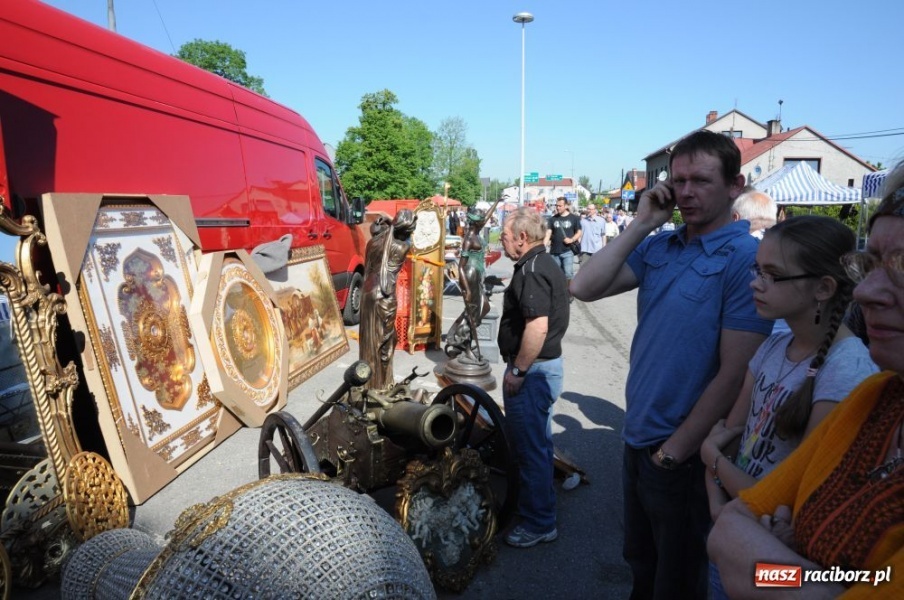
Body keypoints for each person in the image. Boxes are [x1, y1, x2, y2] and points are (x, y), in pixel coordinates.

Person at [571, 130, 774, 599]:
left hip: (680, 452)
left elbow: (734, 372)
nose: (685, 192)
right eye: (677, 180)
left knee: (677, 581)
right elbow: (583, 287)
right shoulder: (660, 245)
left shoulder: (745, 258)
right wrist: (641, 224)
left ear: (734, 185)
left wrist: (674, 452)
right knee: (641, 564)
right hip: (638, 436)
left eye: (701, 180)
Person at [708, 160, 904, 599]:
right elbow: (731, 530)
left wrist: (805, 580)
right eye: (870, 265)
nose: (868, 291)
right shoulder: (878, 396)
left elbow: (870, 585)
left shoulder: (851, 374)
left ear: (824, 288)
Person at [498, 207, 570, 548]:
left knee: (531, 449)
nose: (503, 241)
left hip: (534, 370)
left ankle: (539, 522)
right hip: (540, 369)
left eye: (506, 237)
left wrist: (518, 370)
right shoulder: (539, 264)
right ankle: (538, 508)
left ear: (522, 238)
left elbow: (537, 326)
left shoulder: (533, 269)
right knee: (537, 445)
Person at [359, 210, 416, 390]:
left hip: (367, 295)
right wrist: (393, 222)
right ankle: (381, 385)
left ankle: (367, 383)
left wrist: (392, 224)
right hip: (384, 297)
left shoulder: (372, 243)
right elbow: (410, 242)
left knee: (369, 340)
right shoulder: (401, 247)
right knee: (384, 344)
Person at [445, 206, 496, 362]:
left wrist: (497, 201)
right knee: (473, 313)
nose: (484, 222)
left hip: (477, 274)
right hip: (470, 275)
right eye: (481, 221)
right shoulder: (469, 238)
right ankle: (465, 345)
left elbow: (486, 217)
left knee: (482, 308)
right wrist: (465, 288)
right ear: (475, 224)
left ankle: (461, 340)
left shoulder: (477, 232)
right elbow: (460, 266)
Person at [544, 197, 582, 284]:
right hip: (554, 252)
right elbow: (548, 234)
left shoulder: (574, 218)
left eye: (560, 206)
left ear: (566, 206)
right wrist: (543, 247)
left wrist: (571, 239)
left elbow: (579, 232)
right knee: (556, 274)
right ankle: (558, 293)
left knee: (568, 274)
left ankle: (569, 292)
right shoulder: (552, 219)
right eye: (556, 206)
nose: (557, 208)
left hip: (568, 251)